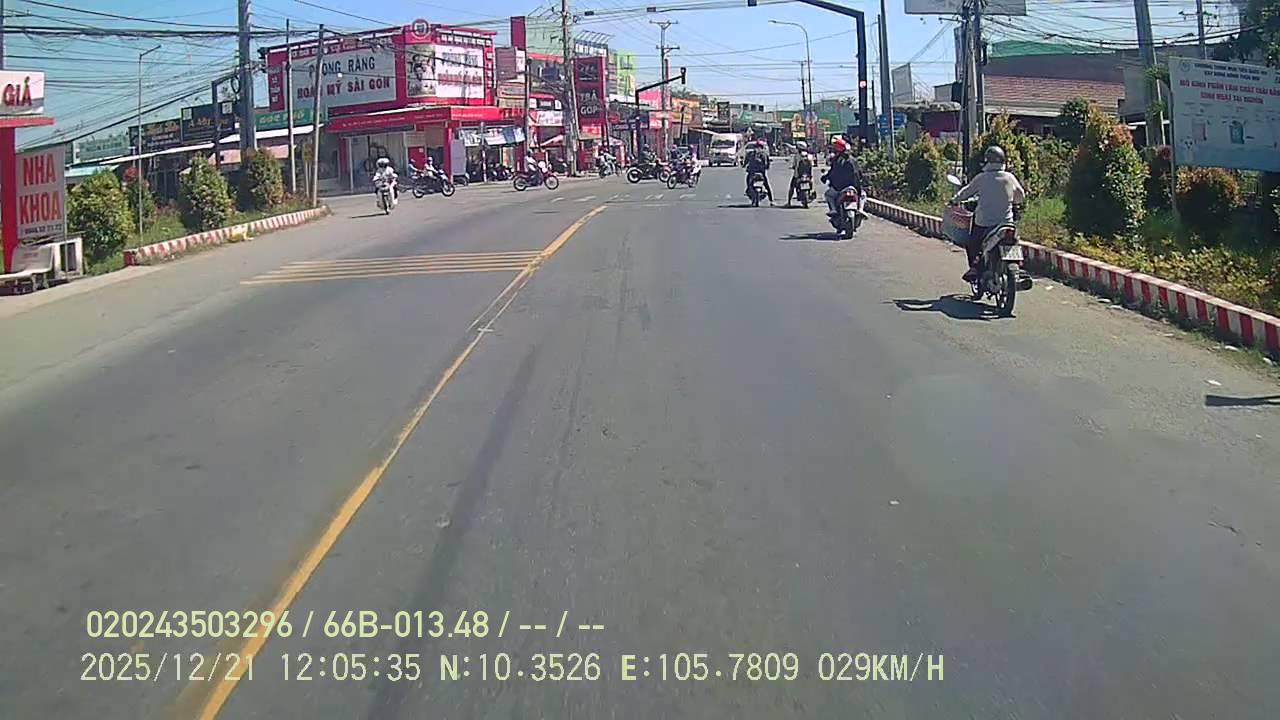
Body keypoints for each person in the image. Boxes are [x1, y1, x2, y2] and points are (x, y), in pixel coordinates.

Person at [949, 145, 1026, 282]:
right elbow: (1020, 196)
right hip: (1006, 222)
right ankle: (1018, 267)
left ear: (986, 161)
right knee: (1014, 241)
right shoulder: (1010, 177)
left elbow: (966, 192)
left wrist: (954, 200)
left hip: (984, 223)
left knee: (973, 242)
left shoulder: (981, 178)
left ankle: (975, 268)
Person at [820, 136, 864, 219]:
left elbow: (833, 172)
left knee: (828, 195)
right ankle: (861, 209)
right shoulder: (853, 159)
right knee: (863, 195)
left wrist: (825, 178)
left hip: (839, 187)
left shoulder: (837, 160)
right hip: (854, 187)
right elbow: (859, 173)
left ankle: (833, 209)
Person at [743, 139, 773, 204]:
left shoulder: (750, 153)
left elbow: (745, 162)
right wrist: (766, 167)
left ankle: (750, 193)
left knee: (749, 184)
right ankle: (771, 200)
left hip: (752, 172)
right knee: (767, 186)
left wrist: (744, 165)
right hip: (761, 172)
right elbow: (767, 164)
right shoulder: (764, 153)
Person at [787, 141, 813, 207]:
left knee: (792, 187)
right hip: (808, 175)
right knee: (812, 185)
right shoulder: (809, 156)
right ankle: (810, 195)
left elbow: (794, 165)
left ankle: (789, 202)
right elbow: (811, 165)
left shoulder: (797, 156)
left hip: (797, 175)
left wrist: (793, 167)